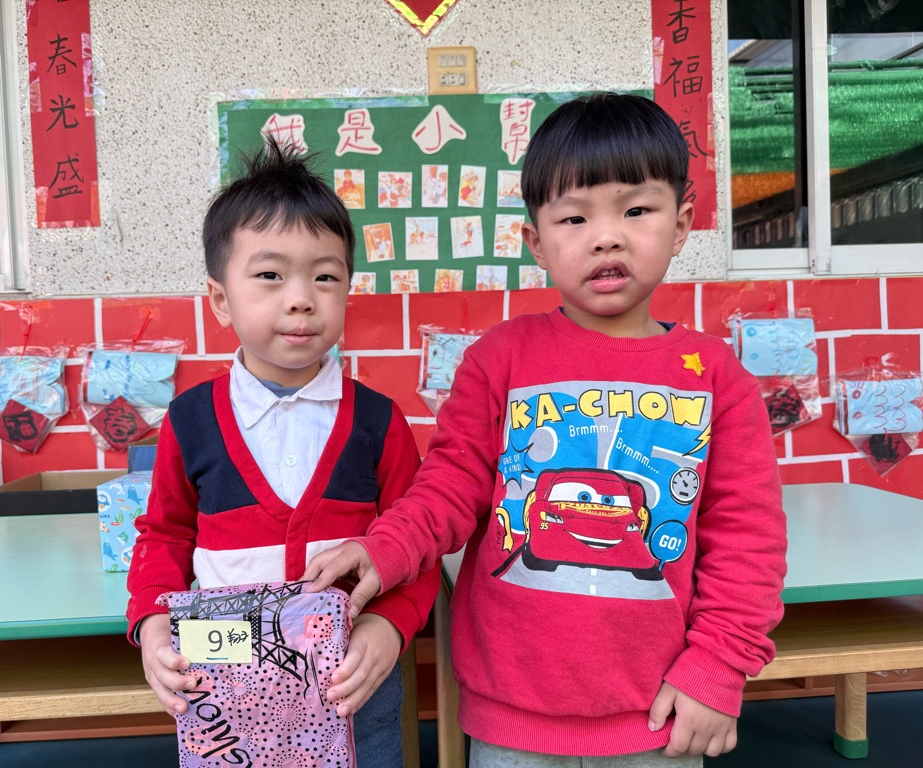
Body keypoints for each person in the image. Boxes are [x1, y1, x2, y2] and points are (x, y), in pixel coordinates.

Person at [303, 93, 787, 767]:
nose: (606, 236)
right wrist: (385, 549)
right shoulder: (499, 359)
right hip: (510, 716)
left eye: (636, 210)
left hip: (658, 716)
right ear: (536, 241)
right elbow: (449, 487)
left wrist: (719, 667)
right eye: (574, 217)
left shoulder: (717, 377)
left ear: (681, 224)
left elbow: (747, 542)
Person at [126, 138, 439, 768]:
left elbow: (416, 547)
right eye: (270, 275)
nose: (301, 298)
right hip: (225, 689)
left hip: (350, 685)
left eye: (325, 277)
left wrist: (390, 625)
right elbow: (164, 535)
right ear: (221, 300)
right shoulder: (190, 420)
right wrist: (153, 624)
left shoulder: (380, 422)